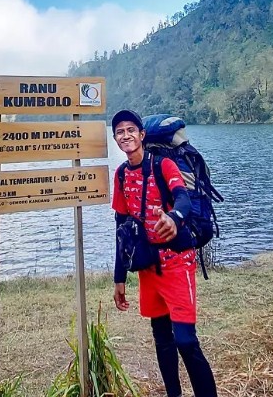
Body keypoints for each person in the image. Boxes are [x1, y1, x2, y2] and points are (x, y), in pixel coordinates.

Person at [111, 109, 217, 397]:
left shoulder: (164, 165)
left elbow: (182, 196)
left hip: (177, 263)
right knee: (161, 338)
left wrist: (174, 217)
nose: (126, 135)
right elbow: (121, 227)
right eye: (120, 131)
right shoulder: (121, 175)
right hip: (148, 269)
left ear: (142, 135)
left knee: (185, 341)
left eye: (131, 129)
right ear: (116, 140)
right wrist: (119, 277)